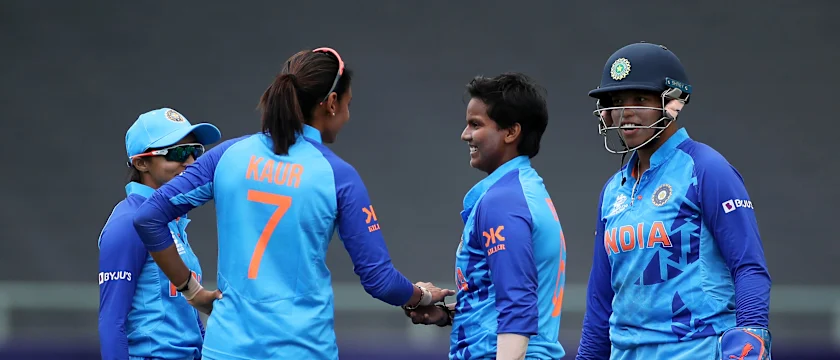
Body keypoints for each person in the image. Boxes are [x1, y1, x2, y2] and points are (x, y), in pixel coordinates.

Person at [131, 47, 455, 360]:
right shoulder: (337, 176)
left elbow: (149, 218)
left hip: (227, 349)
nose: (348, 114)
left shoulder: (227, 156)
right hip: (302, 349)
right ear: (330, 103)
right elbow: (381, 281)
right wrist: (421, 295)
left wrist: (191, 291)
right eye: (348, 104)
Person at [575, 42, 772, 360]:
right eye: (616, 101)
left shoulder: (706, 168)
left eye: (639, 98)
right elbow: (601, 297)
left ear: (673, 104)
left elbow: (748, 266)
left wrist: (750, 338)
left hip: (696, 349)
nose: (626, 112)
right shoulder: (613, 190)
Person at [403, 72, 567, 360]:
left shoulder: (503, 201)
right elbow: (503, 298)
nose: (465, 134)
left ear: (511, 132)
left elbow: (518, 304)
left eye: (476, 124)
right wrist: (447, 314)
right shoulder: (525, 190)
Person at [98, 107, 222, 360]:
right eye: (177, 153)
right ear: (141, 163)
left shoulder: (171, 221)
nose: (190, 162)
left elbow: (183, 315)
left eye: (195, 151)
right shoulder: (128, 223)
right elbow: (112, 322)